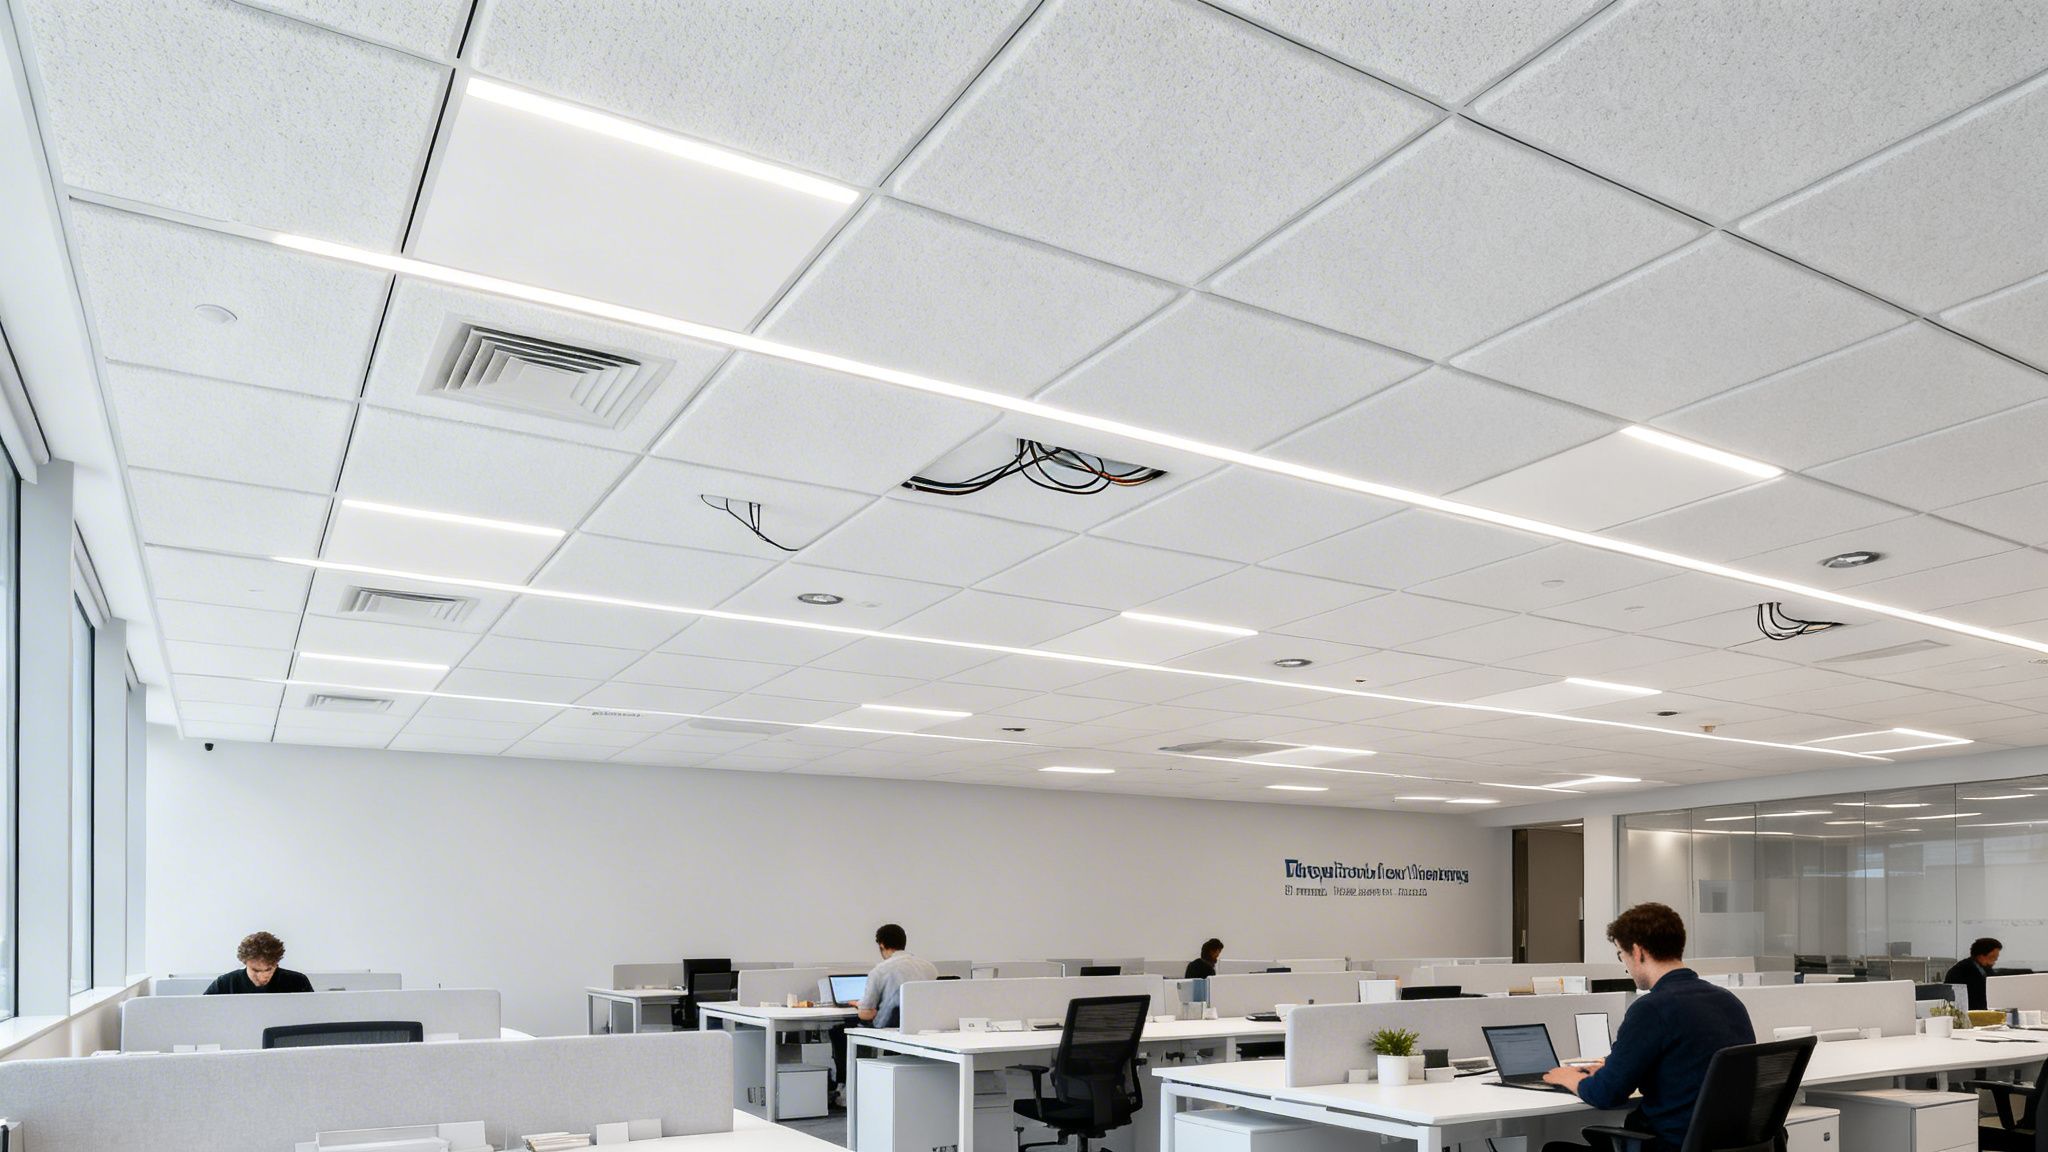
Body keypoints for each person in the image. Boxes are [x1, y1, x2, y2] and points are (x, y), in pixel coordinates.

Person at [1540, 903, 1755, 1152]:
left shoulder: (1652, 1008)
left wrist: (1569, 1077)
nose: (1625, 966)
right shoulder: (1728, 1001)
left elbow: (1605, 1094)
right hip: (1724, 1144)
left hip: (1668, 1145)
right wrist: (1614, 1066)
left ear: (1638, 952)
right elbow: (1687, 1065)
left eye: (1622, 955)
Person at [829, 924, 939, 1106]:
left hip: (889, 1027)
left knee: (840, 1031)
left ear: (881, 945)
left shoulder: (880, 970)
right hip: (921, 1026)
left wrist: (859, 1005)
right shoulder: (929, 967)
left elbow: (865, 1014)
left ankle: (846, 1089)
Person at [202, 930, 314, 994]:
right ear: (245, 962)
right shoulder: (225, 984)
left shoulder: (298, 982)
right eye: (255, 970)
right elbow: (202, 1014)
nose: (262, 976)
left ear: (277, 963)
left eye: (269, 969)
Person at [1944, 937, 2002, 1011]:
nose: (1994, 962)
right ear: (1981, 956)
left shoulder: (1986, 969)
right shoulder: (1961, 970)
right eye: (1992, 957)